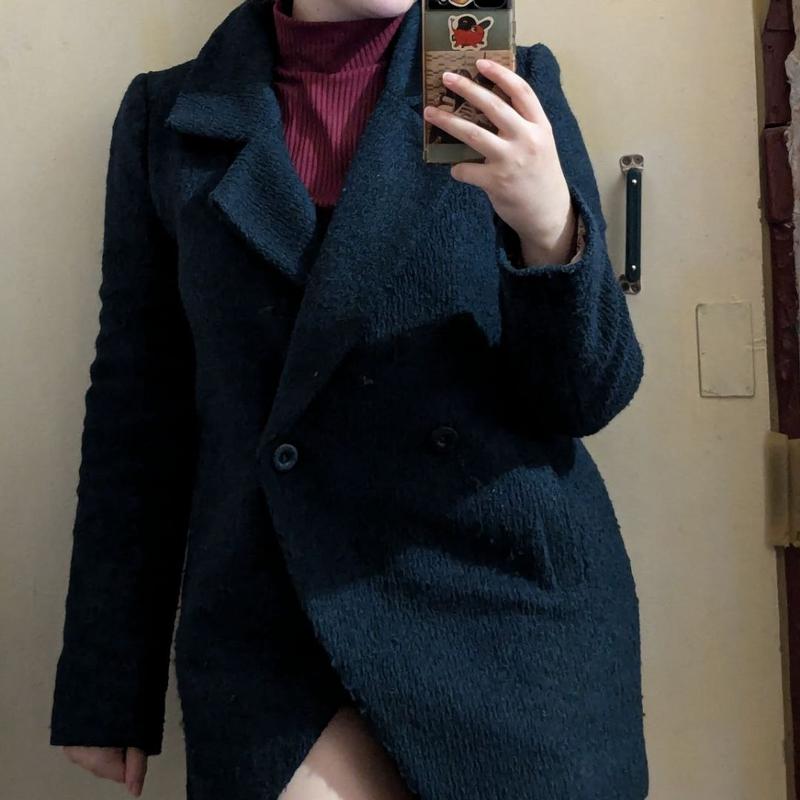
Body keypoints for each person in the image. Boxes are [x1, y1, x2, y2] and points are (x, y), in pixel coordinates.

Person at [49, 0, 649, 798]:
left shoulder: (494, 76)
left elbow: (590, 396)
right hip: (274, 621)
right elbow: (137, 413)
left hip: (505, 620)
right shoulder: (173, 118)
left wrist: (549, 226)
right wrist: (109, 681)